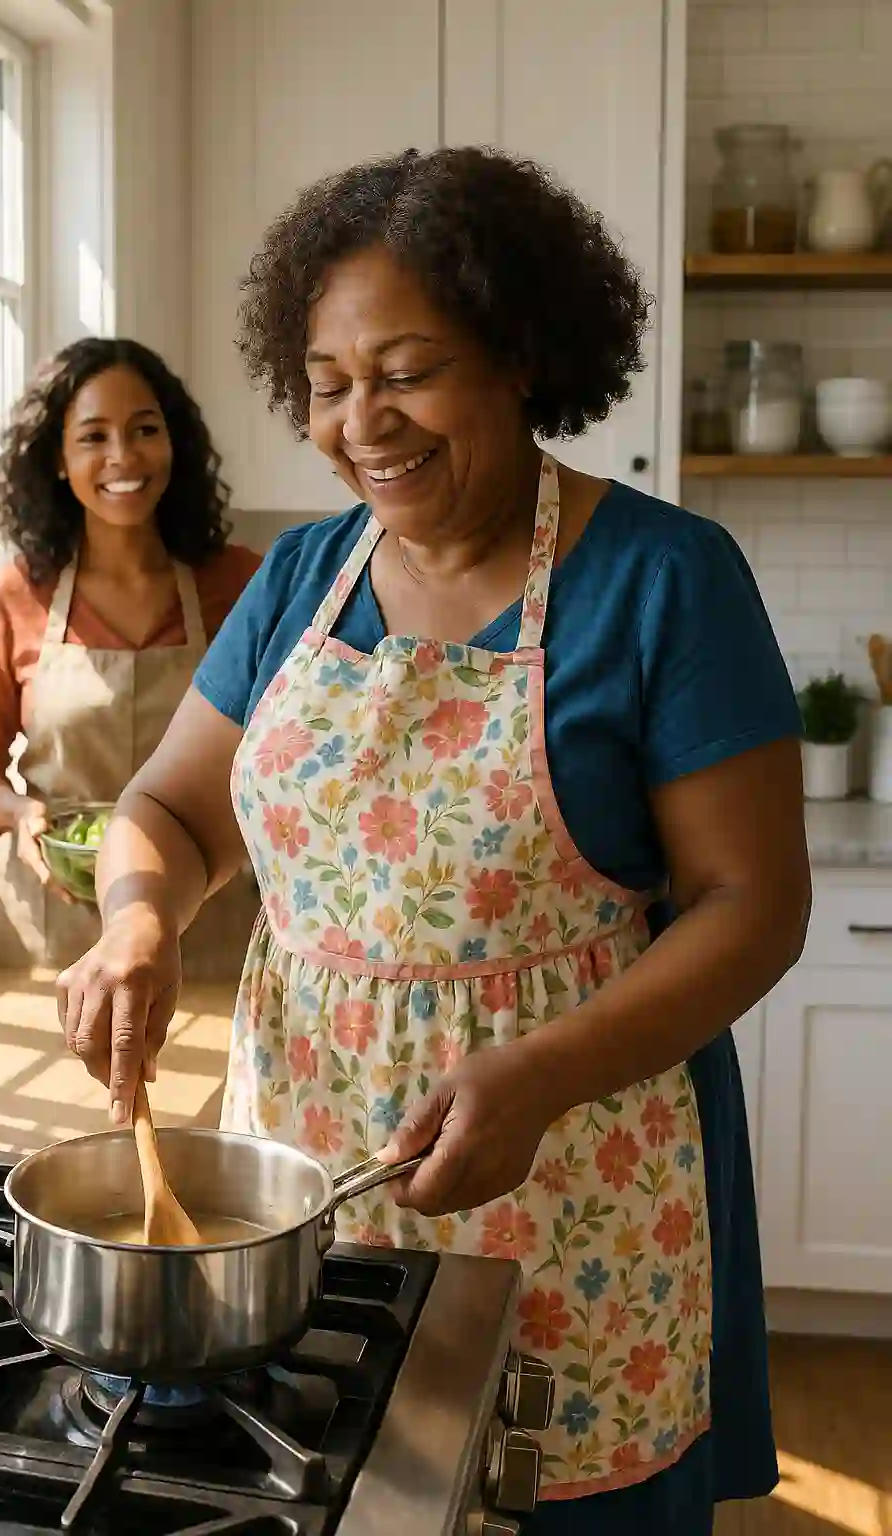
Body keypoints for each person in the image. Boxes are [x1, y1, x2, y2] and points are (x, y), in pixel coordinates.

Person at [57, 149, 810, 1531]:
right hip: (306, 1209)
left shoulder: (662, 578)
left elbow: (750, 905)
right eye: (330, 386)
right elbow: (161, 812)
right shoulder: (302, 576)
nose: (362, 424)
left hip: (574, 1192)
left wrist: (534, 1075)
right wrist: (139, 918)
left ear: (522, 356)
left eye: (406, 372)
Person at [0, 336, 262, 972]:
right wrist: (16, 812)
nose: (123, 456)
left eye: (144, 429)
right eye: (92, 437)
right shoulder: (14, 597)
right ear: (58, 459)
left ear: (174, 443)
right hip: (54, 921)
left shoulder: (244, 586)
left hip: (206, 917)